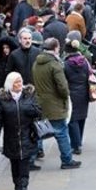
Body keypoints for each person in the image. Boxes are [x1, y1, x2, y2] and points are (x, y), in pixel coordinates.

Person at [0, 72, 42, 190]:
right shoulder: (3, 99)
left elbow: (39, 111)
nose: (19, 84)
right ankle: (17, 186)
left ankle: (24, 186)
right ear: (10, 84)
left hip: (27, 134)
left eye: (20, 81)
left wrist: (32, 111)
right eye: (16, 82)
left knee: (24, 162)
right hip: (11, 136)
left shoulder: (29, 95)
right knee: (14, 163)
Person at [32, 38, 81, 170]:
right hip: (55, 105)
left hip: (40, 103)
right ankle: (67, 160)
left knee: (38, 132)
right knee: (61, 132)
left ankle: (30, 160)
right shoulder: (55, 65)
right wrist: (65, 96)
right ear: (55, 48)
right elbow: (63, 87)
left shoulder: (36, 63)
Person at [64, 35, 93, 155]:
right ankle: (79, 140)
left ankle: (76, 145)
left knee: (72, 119)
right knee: (82, 117)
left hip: (72, 94)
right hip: (84, 93)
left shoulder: (65, 64)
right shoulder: (84, 61)